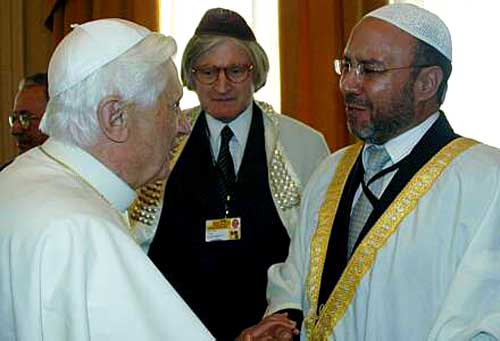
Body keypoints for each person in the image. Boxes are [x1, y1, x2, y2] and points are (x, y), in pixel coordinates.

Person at [244, 3, 500, 340]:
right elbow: (295, 281)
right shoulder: (330, 171)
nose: (348, 84)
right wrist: (283, 322)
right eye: (347, 65)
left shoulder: (485, 181)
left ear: (426, 82)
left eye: (370, 69)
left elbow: (484, 317)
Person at [0, 18, 213, 340]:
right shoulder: (81, 229)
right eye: (172, 106)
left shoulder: (19, 178)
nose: (183, 125)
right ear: (115, 117)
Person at [141, 8, 330, 340]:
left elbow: (316, 253)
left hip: (272, 331)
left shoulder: (303, 144)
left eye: (236, 70)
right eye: (208, 72)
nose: (222, 85)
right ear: (190, 76)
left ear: (256, 72)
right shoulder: (159, 139)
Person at [1, 73, 49, 170]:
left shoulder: (78, 178)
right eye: (14, 119)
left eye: (25, 118)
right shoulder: (5, 176)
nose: (15, 130)